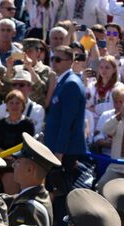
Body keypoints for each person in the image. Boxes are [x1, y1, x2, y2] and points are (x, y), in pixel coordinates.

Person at [44, 43, 89, 192]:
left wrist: (59, 151)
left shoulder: (71, 84)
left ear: (70, 62)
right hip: (59, 147)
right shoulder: (62, 81)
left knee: (61, 192)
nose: (53, 62)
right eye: (52, 59)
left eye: (58, 59)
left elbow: (67, 122)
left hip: (65, 150)